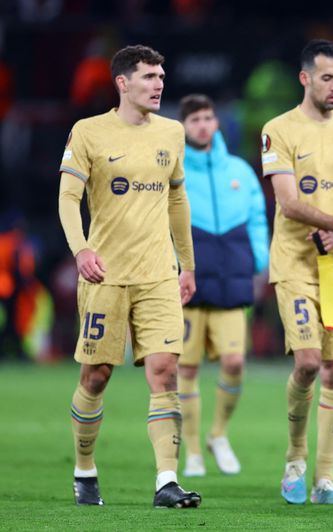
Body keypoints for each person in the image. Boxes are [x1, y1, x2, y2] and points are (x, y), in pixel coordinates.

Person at [58, 44, 201, 508]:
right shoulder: (89, 132)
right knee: (96, 374)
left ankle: (166, 481)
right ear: (123, 83)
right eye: (149, 77)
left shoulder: (172, 132)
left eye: (162, 76)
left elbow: (178, 201)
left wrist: (188, 264)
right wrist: (80, 250)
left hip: (158, 274)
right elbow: (67, 198)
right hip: (105, 275)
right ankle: (84, 468)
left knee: (165, 371)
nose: (159, 84)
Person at [260, 39, 333, 505]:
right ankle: (295, 456)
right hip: (296, 264)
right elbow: (287, 202)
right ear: (305, 78)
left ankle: (325, 480)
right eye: (327, 77)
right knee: (307, 363)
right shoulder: (279, 129)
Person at [177, 94, 269, 477]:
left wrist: (260, 259)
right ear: (183, 126)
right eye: (195, 118)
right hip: (189, 285)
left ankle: (218, 434)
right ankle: (194, 451)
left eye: (208, 118)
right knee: (186, 368)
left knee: (234, 362)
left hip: (231, 280)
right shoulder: (175, 170)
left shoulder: (239, 171)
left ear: (217, 123)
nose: (202, 124)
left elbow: (257, 217)